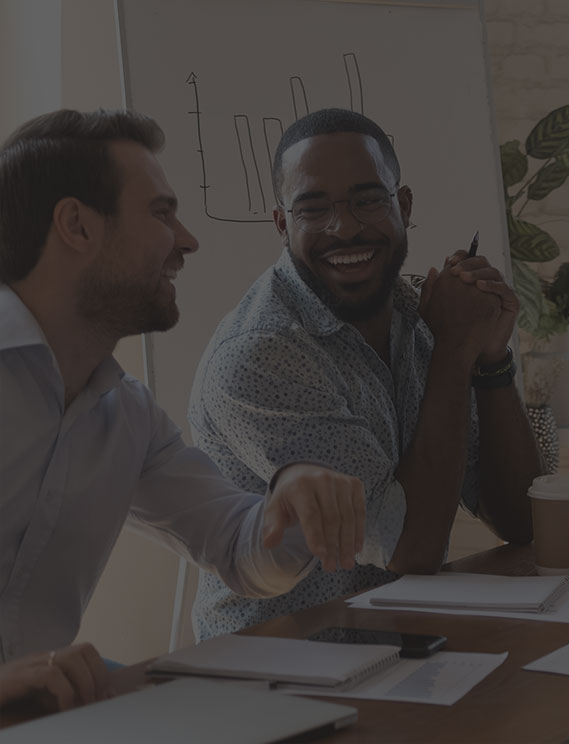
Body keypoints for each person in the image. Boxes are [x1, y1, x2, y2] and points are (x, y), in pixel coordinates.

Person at [0, 109, 367, 712]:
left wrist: (294, 495)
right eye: (161, 213)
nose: (188, 240)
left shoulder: (127, 415)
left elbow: (242, 552)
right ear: (77, 226)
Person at [188, 108, 542, 638]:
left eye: (367, 200)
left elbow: (521, 520)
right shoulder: (261, 354)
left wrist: (490, 361)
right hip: (280, 665)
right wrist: (453, 351)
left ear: (402, 205)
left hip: (399, 641)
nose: (345, 226)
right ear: (283, 224)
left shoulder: (414, 312)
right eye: (313, 208)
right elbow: (410, 548)